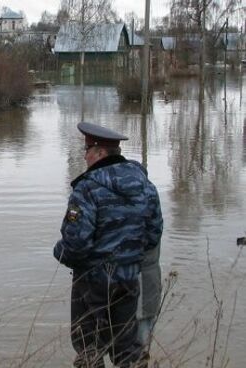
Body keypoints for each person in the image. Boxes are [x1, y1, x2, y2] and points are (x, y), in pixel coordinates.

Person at [54, 122, 163, 368]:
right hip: (128, 280)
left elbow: (76, 244)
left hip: (92, 284)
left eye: (87, 149)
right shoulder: (146, 186)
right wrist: (128, 257)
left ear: (100, 153)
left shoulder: (87, 188)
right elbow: (153, 235)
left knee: (88, 348)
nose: (84, 155)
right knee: (126, 348)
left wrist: (58, 252)